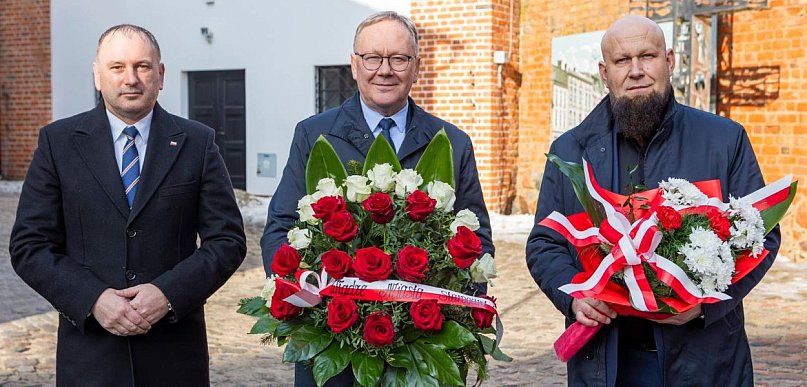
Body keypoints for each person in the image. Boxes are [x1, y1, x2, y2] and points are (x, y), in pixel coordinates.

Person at [526, 15, 780, 387]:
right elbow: (545, 243)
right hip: (608, 361)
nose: (636, 71)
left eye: (647, 56)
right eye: (622, 60)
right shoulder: (569, 151)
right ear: (604, 71)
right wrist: (574, 297)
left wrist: (704, 307)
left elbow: (762, 234)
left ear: (670, 61)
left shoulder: (725, 140)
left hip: (703, 358)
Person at [260, 11, 494, 387]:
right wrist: (308, 295)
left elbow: (476, 242)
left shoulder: (452, 143)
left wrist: (451, 311)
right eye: (372, 58)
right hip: (336, 349)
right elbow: (281, 230)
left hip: (423, 347)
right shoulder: (314, 135)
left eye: (398, 59)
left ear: (416, 68)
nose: (384, 70)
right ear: (354, 65)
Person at [9, 24, 246, 386]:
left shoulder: (197, 143)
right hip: (89, 357)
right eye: (117, 67)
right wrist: (92, 299)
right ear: (97, 76)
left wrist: (167, 294)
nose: (130, 78)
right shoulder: (58, 144)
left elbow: (227, 241)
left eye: (143, 66)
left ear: (160, 74)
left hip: (173, 355)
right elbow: (29, 246)